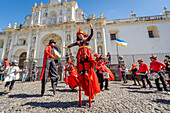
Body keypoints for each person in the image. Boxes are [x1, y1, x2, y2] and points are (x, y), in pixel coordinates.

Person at [64, 23, 100, 107]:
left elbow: (91, 35)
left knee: (88, 68)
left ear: (83, 35)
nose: (80, 36)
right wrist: (68, 47)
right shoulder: (79, 42)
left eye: (80, 35)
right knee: (82, 68)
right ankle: (83, 73)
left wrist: (91, 28)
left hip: (87, 54)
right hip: (81, 56)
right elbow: (73, 44)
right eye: (79, 35)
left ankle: (88, 73)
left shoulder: (87, 39)